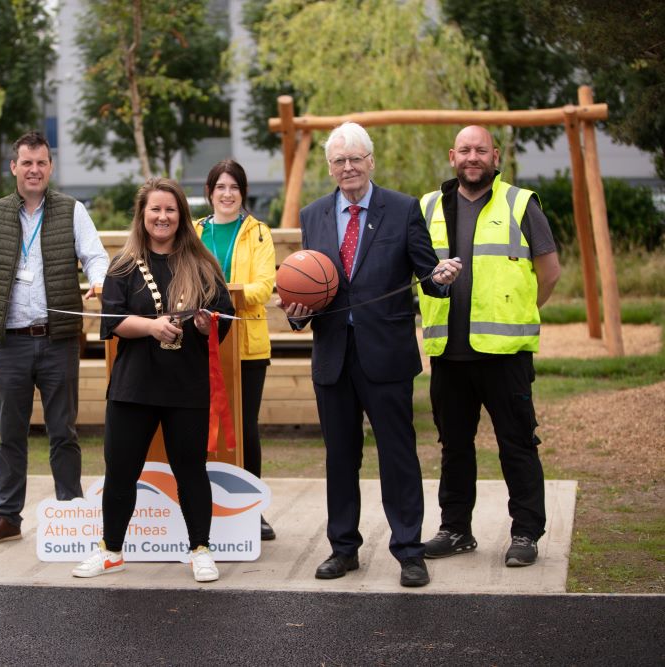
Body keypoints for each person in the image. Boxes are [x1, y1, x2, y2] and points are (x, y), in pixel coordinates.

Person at [279, 122, 462, 588]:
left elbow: (426, 275)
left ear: (371, 162)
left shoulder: (402, 210)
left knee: (398, 455)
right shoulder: (313, 214)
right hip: (333, 356)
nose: (347, 168)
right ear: (330, 167)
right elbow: (309, 284)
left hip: (387, 355)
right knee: (340, 457)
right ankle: (343, 548)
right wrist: (297, 314)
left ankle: (408, 550)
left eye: (355, 159)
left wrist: (439, 278)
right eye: (339, 161)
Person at [71, 177, 234, 582]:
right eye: (155, 210)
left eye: (170, 209)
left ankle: (200, 549)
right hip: (134, 387)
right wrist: (151, 327)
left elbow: (223, 321)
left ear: (181, 215)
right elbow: (112, 323)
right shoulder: (123, 266)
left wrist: (202, 324)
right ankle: (111, 551)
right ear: (142, 216)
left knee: (191, 470)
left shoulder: (204, 264)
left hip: (186, 387)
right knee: (121, 470)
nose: (162, 217)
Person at [419, 126, 560, 568]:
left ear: (495, 157)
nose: (473, 156)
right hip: (449, 354)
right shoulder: (427, 207)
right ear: (452, 156)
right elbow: (415, 271)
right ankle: (456, 529)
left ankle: (525, 533)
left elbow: (550, 271)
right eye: (465, 150)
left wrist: (519, 313)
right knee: (454, 447)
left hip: (505, 356)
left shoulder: (521, 203)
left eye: (481, 149)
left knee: (517, 444)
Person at [0, 131, 108, 546]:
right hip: (7, 343)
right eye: (26, 162)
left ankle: (71, 513)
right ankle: (7, 516)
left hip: (58, 341)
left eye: (41, 163)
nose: (34, 170)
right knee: (10, 434)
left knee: (63, 431)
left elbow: (95, 254)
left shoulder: (72, 210)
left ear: (51, 167)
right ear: (14, 167)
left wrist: (99, 281)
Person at [196, 159, 278, 541]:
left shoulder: (258, 233)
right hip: (198, 342)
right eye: (220, 187)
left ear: (242, 192)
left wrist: (226, 294)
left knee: (244, 428)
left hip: (245, 346)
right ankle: (202, 505)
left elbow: (264, 286)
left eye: (234, 187)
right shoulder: (193, 231)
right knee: (197, 427)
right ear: (209, 192)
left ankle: (252, 509)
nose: (227, 194)